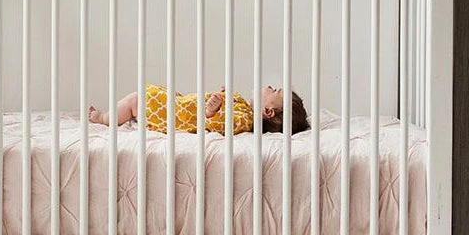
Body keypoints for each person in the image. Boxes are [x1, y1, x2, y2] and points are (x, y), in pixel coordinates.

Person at [88, 84, 309, 136]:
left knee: (135, 100)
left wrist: (212, 112)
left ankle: (104, 118)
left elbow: (223, 123)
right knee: (146, 96)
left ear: (268, 112)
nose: (269, 86)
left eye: (274, 90)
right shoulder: (244, 109)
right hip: (182, 105)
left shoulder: (244, 119)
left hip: (178, 115)